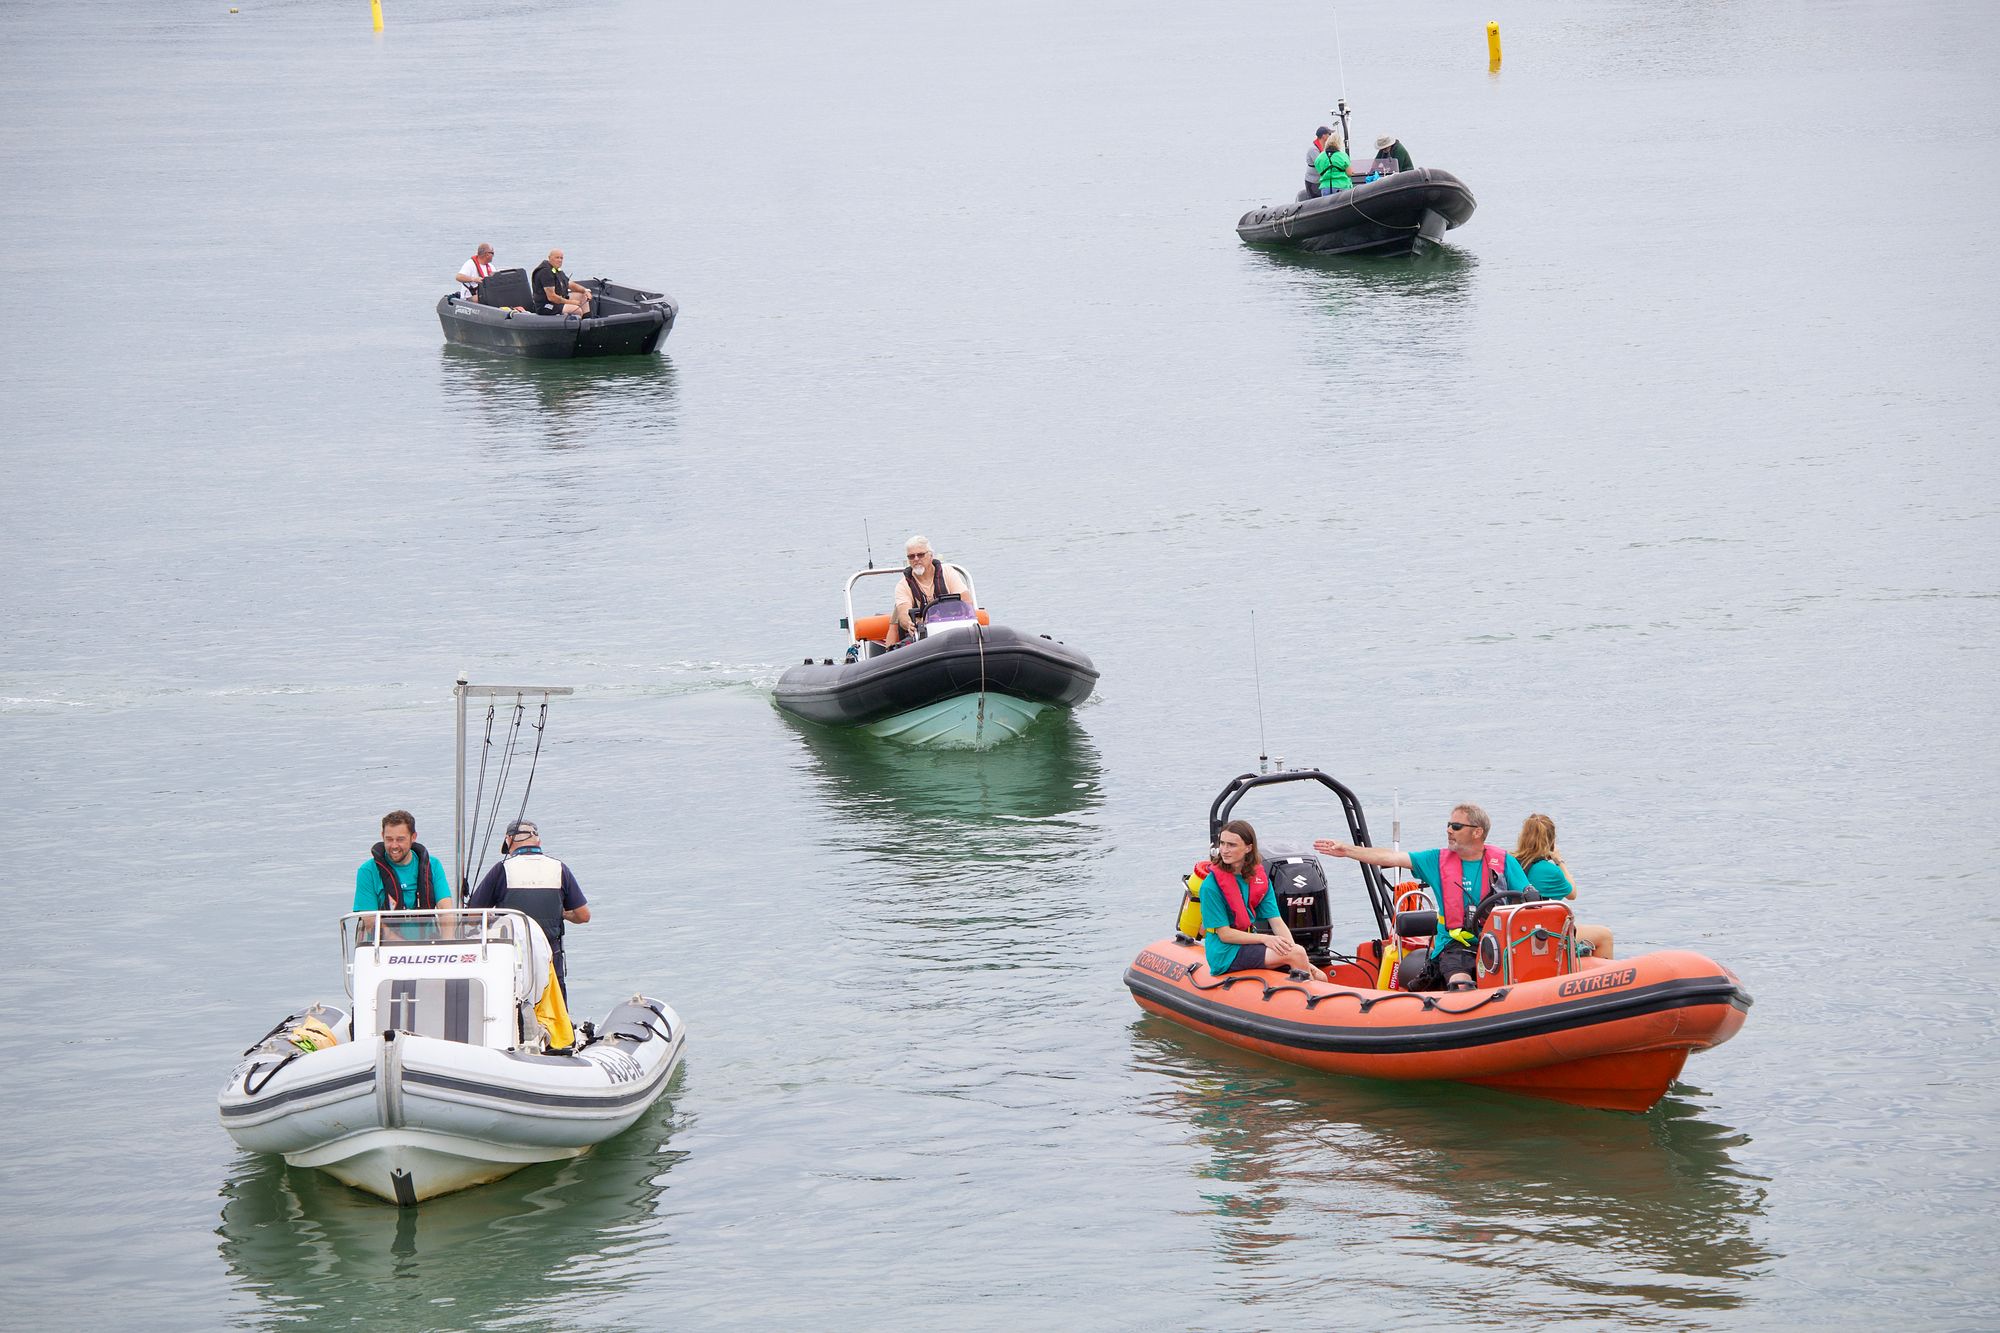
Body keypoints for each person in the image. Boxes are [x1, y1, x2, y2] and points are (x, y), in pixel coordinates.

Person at [1315, 802, 1531, 991]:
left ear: (1477, 832)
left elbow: (1529, 901)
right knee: (1460, 979)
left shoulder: (1503, 862)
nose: (1449, 830)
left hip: (1498, 943)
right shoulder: (1436, 860)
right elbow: (1391, 857)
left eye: (1456, 826)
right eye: (1448, 825)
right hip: (1455, 946)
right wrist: (1348, 850)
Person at [467, 819, 590, 997]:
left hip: (512, 955)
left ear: (509, 841)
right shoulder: (559, 868)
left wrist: (494, 918)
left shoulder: (502, 869)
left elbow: (472, 917)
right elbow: (583, 915)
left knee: (514, 1002)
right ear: (538, 841)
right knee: (554, 1005)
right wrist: (563, 913)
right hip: (550, 953)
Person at [1199, 819, 1327, 981]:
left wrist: (1297, 953)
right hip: (1225, 953)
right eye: (1222, 843)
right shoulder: (1211, 886)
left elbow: (1277, 922)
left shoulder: (1258, 879)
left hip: (1249, 944)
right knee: (1297, 954)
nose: (1224, 850)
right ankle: (1307, 1002)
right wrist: (1267, 939)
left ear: (1248, 848)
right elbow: (1225, 935)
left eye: (1231, 845)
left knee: (1320, 976)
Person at [1514, 813, 1615, 959]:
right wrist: (1559, 861)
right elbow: (1572, 894)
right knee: (1605, 935)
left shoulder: (1510, 862)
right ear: (1551, 841)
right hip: (1539, 933)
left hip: (1515, 930)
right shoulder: (1548, 870)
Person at [353, 810, 452, 913]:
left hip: (426, 929)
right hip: (384, 928)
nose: (394, 846)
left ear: (413, 837)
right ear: (382, 836)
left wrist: (449, 928)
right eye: (389, 839)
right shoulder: (367, 871)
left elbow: (446, 908)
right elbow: (369, 921)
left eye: (400, 839)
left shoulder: (433, 865)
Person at [886, 534, 971, 646]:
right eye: (911, 556)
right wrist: (909, 623)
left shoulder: (948, 573)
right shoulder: (903, 585)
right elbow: (903, 613)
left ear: (931, 556)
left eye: (920, 555)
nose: (916, 559)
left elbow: (966, 600)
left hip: (952, 628)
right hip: (922, 636)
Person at [531, 249, 592, 317]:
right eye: (557, 257)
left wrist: (585, 291)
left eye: (561, 258)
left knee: (583, 296)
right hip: (546, 305)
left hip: (558, 301)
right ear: (549, 258)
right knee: (577, 310)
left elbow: (570, 284)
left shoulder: (556, 270)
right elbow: (551, 297)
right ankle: (578, 325)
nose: (560, 260)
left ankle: (588, 321)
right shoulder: (545, 272)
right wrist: (571, 302)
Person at [1302, 125, 1333, 200]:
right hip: (1314, 182)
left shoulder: (1325, 147)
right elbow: (1321, 165)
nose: (1330, 136)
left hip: (1322, 180)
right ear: (1324, 136)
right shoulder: (1313, 150)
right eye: (1329, 134)